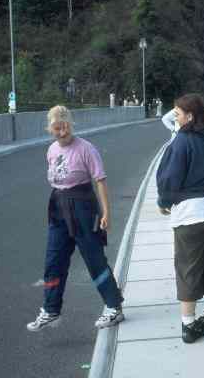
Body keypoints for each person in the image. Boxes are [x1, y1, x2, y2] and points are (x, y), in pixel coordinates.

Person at [27, 105, 124, 332]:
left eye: (66, 127)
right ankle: (51, 309)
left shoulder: (86, 149)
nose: (62, 132)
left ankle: (113, 307)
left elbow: (100, 180)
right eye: (57, 128)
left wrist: (106, 213)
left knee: (94, 258)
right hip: (59, 206)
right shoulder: (51, 150)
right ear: (49, 129)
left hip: (83, 206)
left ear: (72, 124)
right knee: (54, 260)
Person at [156, 94, 204, 344]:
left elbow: (170, 177)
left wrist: (164, 202)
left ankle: (189, 324)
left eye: (179, 114)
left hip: (191, 213)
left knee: (188, 267)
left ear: (190, 116)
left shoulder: (182, 140)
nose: (175, 118)